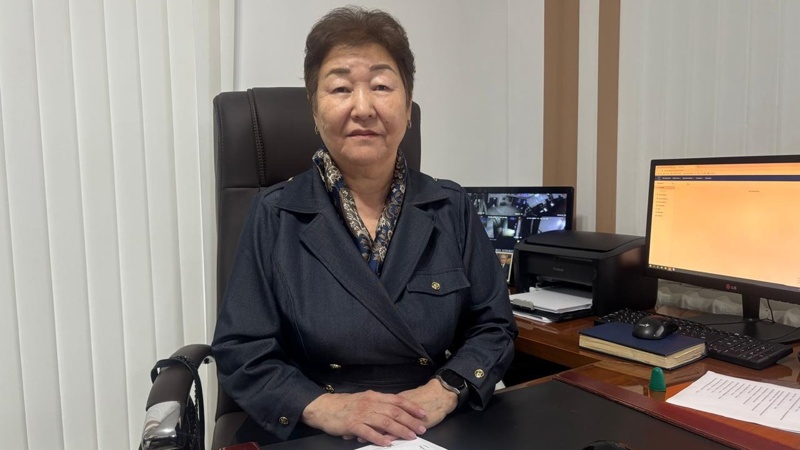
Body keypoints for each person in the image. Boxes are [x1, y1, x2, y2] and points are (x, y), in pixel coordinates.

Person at [212, 6, 518, 447]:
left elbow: (495, 326)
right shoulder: (275, 213)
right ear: (314, 110)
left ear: (408, 108)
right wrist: (325, 407)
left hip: (425, 422)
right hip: (313, 426)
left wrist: (446, 388)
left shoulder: (451, 208)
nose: (362, 107)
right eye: (340, 88)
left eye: (381, 86)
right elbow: (241, 349)